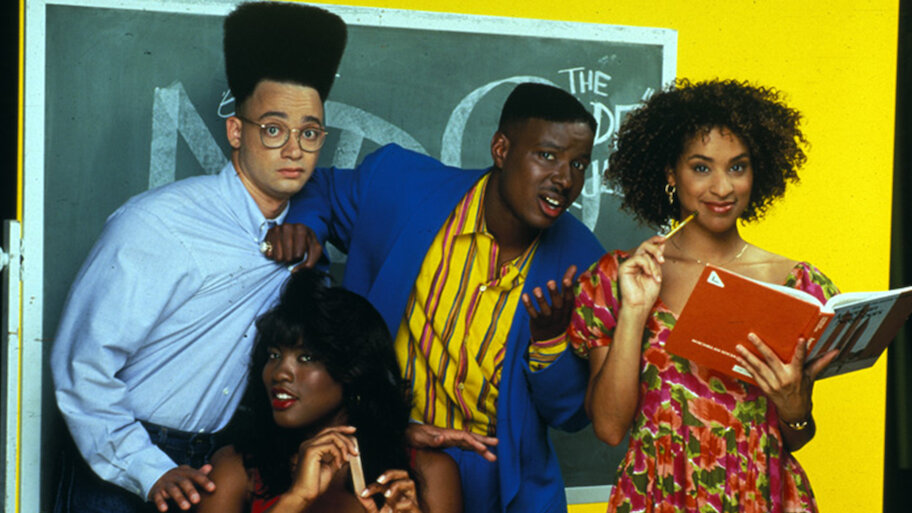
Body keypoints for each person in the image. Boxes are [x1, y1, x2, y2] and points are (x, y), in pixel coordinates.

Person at [50, 3, 344, 512]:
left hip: (217, 467)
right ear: (236, 132)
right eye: (274, 129)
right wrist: (147, 467)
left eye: (310, 132)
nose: (294, 150)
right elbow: (81, 366)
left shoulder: (300, 244)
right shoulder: (160, 222)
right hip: (123, 457)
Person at [266, 83, 605, 513]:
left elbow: (571, 415)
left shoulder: (584, 262)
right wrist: (306, 231)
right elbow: (321, 190)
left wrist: (550, 342)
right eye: (548, 156)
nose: (565, 179)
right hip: (387, 458)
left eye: (578, 164)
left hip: (498, 479)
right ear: (501, 149)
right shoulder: (403, 186)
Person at [564, 79, 840, 512]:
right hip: (659, 496)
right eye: (701, 168)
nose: (723, 188)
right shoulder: (618, 279)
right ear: (670, 174)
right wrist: (635, 310)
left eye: (737, 167)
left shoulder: (797, 285)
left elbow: (794, 438)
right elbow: (610, 429)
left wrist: (794, 406)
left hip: (760, 495)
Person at [197, 269, 462, 513]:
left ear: (354, 370)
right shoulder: (235, 467)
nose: (279, 373)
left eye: (306, 358)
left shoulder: (429, 471)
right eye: (274, 355)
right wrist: (296, 498)